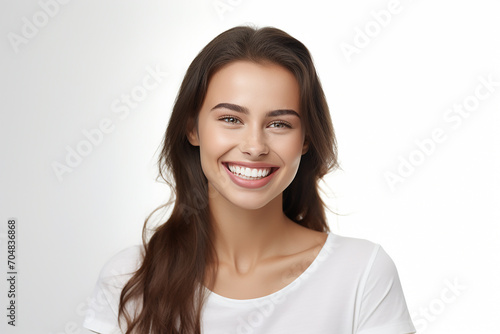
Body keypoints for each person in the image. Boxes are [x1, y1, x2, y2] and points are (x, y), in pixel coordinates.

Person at [82, 25, 416, 334]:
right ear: (193, 128)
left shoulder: (362, 274)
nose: (254, 146)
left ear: (306, 139)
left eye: (279, 124)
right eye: (230, 118)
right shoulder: (128, 278)